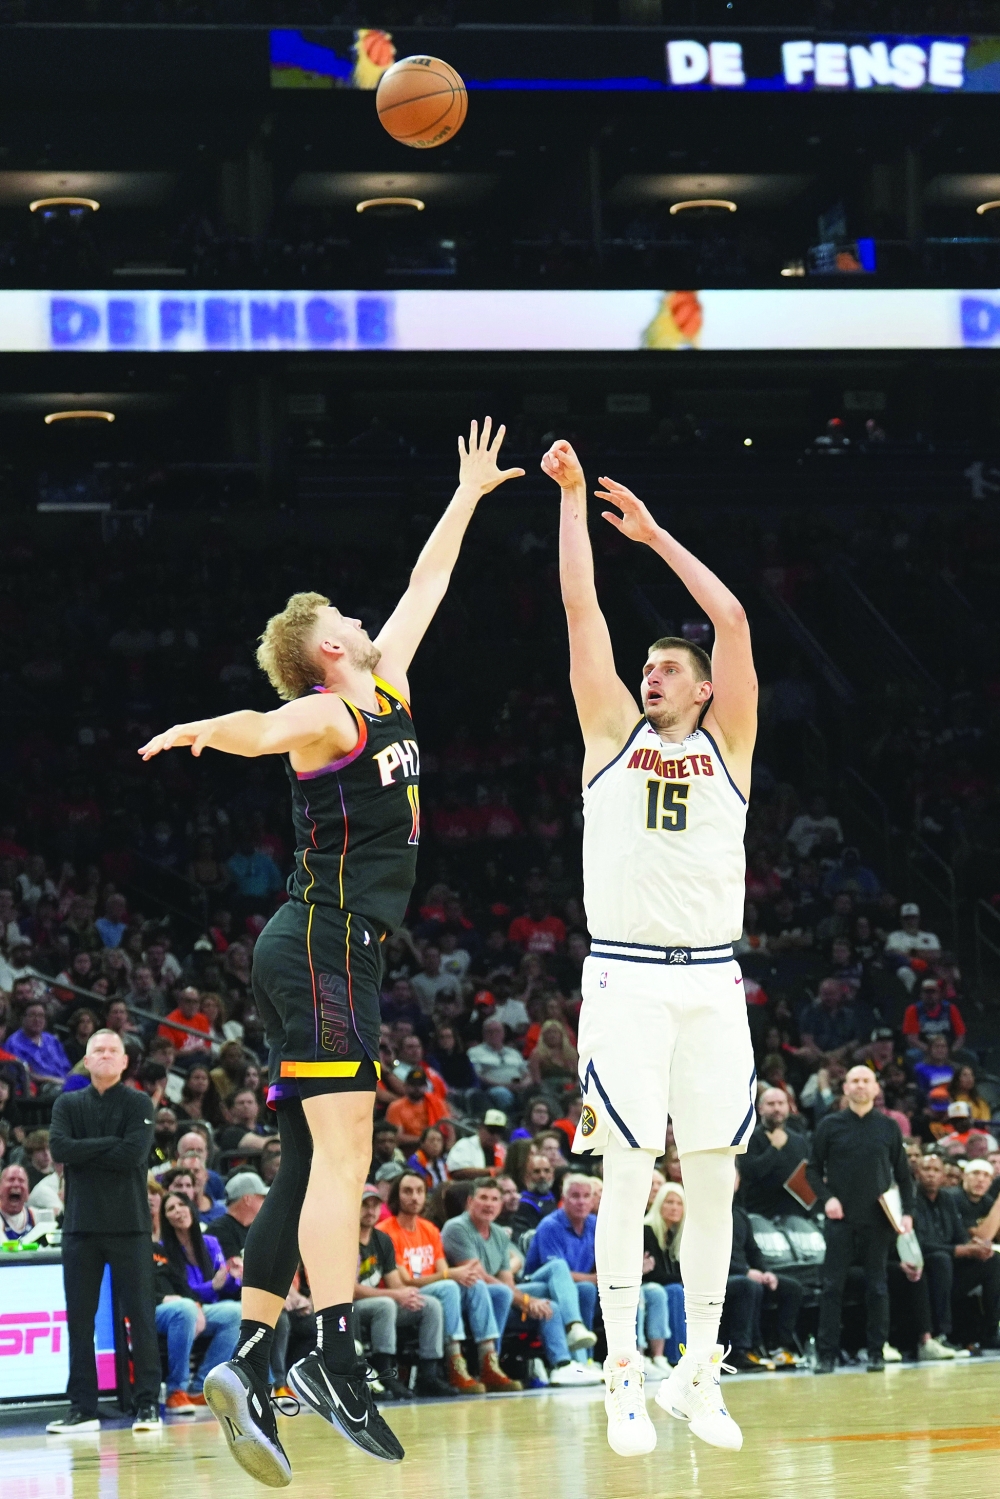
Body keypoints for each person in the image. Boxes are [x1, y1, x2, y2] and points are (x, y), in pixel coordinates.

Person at [139, 417, 523, 1481]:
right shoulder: (321, 716)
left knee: (313, 1158)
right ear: (327, 651)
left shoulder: (384, 680)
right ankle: (331, 1355)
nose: (367, 617)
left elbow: (427, 580)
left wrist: (468, 495)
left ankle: (253, 1354)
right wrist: (202, 729)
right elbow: (259, 727)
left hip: (330, 951)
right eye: (348, 618)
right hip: (319, 942)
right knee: (347, 1157)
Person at [543, 438, 757, 1455]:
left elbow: (732, 618)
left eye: (668, 667)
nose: (651, 673)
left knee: (713, 1176)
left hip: (714, 977)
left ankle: (698, 1370)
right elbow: (583, 615)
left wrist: (657, 535)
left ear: (705, 688)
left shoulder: (730, 744)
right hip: (624, 974)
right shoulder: (607, 739)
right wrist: (575, 504)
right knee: (625, 1170)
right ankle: (621, 1369)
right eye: (647, 667)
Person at [46, 1029, 162, 1434]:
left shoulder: (138, 1101)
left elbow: (134, 1154)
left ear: (125, 1061)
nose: (107, 1055)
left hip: (130, 1226)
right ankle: (83, 1409)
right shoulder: (67, 1102)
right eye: (99, 1050)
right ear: (87, 1058)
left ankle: (148, 1406)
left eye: (114, 1050)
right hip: (80, 1227)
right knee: (79, 1321)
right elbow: (59, 1149)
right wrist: (109, 1144)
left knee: (140, 1318)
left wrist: (86, 1149)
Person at [806, 1065, 915, 1375]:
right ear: (846, 1088)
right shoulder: (830, 1125)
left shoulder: (889, 1127)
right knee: (831, 1288)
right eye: (854, 1081)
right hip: (840, 1219)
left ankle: (876, 1352)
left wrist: (907, 1212)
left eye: (866, 1081)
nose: (860, 1086)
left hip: (878, 1220)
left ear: (876, 1088)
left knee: (877, 1288)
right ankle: (826, 1355)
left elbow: (905, 1177)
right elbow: (812, 1170)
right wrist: (828, 1200)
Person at [354, 1183, 457, 1400]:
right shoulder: (345, 1239)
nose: (371, 1211)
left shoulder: (381, 1239)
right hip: (351, 1307)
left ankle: (429, 1374)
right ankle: (385, 1373)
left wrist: (408, 1296)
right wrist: (396, 1295)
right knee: (386, 1304)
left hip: (380, 1302)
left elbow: (394, 1283)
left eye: (374, 1205)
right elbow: (349, 1290)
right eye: (364, 1205)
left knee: (429, 1304)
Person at [440, 1178, 525, 1391]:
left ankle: (491, 1364)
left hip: (481, 1291)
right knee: (479, 1284)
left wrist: (523, 1299)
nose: (489, 1204)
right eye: (483, 1198)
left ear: (500, 1205)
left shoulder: (498, 1233)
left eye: (495, 1199)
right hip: (454, 1289)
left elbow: (507, 1281)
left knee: (503, 1293)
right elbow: (473, 1272)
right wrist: (525, 1302)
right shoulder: (456, 1227)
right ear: (470, 1201)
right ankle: (458, 1364)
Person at [521, 1173, 603, 1385]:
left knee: (586, 1289)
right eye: (575, 1196)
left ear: (594, 1200)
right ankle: (574, 1326)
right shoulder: (550, 1225)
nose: (582, 1201)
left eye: (587, 1196)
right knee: (559, 1267)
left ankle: (585, 1361)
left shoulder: (595, 1224)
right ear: (563, 1198)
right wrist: (596, 1278)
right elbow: (560, 1273)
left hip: (570, 1288)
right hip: (535, 1284)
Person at [913, 1153, 1000, 1350]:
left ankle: (991, 1332)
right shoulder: (911, 1198)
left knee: (993, 1260)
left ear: (943, 1176)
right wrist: (960, 1250)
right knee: (941, 1259)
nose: (931, 1175)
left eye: (936, 1170)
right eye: (927, 1169)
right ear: (917, 1173)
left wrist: (976, 1247)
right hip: (925, 1265)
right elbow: (919, 1243)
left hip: (950, 1268)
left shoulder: (946, 1199)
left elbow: (960, 1236)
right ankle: (943, 1335)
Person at [160, 1192, 244, 1393]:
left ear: (191, 1207)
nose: (178, 1210)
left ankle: (204, 1385)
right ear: (166, 1219)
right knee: (187, 1309)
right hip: (183, 1306)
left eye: (182, 1204)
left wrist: (233, 1278)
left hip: (209, 1307)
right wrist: (212, 1286)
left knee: (238, 1312)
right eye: (171, 1208)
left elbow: (224, 1286)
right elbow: (182, 1291)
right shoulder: (163, 1249)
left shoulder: (211, 1242)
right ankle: (177, 1389)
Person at [722, 1171, 804, 1372]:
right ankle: (741, 1352)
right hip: (719, 1277)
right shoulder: (707, 1213)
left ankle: (778, 1346)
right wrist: (746, 1271)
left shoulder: (740, 1214)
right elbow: (710, 1255)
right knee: (748, 1286)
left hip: (745, 1274)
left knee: (792, 1288)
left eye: (734, 1176)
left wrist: (767, 1272)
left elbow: (753, 1251)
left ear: (739, 1182)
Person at [739, 1088, 811, 1220]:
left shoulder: (799, 1140)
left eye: (781, 1103)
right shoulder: (749, 1139)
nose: (777, 1108)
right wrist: (774, 1148)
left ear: (788, 1107)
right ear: (760, 1108)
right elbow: (749, 1174)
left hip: (797, 1215)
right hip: (760, 1216)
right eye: (771, 1104)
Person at [642, 1184, 686, 1370]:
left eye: (679, 1203)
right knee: (676, 1290)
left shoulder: (675, 1235)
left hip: (663, 1286)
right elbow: (653, 1274)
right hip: (647, 1287)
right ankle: (677, 1357)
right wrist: (682, 1279)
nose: (674, 1207)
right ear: (659, 1204)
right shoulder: (647, 1230)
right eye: (669, 1202)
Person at [5, 1000, 72, 1092]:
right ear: (23, 1018)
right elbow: (23, 1074)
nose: (37, 1019)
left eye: (41, 1015)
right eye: (32, 1015)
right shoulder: (14, 1043)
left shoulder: (52, 1040)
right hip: (39, 1087)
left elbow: (66, 1066)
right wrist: (52, 1080)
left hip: (64, 1082)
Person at [384, 1068, 449, 1150]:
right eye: (413, 1084)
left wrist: (448, 1149)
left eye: (420, 1085)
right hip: (409, 1150)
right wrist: (425, 1140)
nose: (417, 1088)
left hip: (437, 1148)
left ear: (426, 1086)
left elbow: (449, 1127)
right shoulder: (396, 1107)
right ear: (405, 1086)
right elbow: (397, 1137)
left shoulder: (437, 1103)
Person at [211, 1172, 269, 1260]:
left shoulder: (260, 1229)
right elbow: (235, 1269)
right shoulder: (219, 1230)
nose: (266, 1201)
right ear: (247, 1199)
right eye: (262, 1197)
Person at [446, 1110, 508, 1178]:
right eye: (492, 1130)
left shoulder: (502, 1150)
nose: (495, 1136)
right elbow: (456, 1172)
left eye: (499, 1132)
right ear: (480, 1128)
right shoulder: (465, 1144)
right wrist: (491, 1171)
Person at [1, 1163, 37, 1242]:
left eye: (21, 1180)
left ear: (28, 1192)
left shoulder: (34, 1216)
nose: (16, 1184)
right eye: (11, 1179)